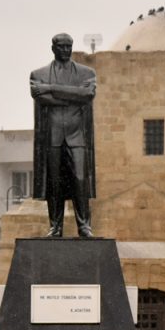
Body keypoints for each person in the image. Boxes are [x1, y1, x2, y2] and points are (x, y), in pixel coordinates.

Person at [30, 32, 97, 238]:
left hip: (77, 136)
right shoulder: (37, 75)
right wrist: (73, 97)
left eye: (69, 46)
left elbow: (88, 95)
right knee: (54, 182)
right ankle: (55, 226)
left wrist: (51, 89)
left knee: (80, 179)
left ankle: (84, 225)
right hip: (53, 135)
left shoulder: (86, 73)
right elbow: (40, 97)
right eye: (62, 47)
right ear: (53, 48)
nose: (66, 50)